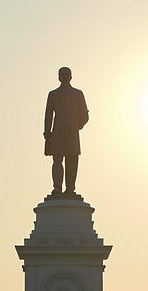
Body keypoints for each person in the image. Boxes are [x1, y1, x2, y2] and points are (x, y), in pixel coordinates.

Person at [44, 67, 89, 196]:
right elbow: (48, 115)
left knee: (70, 159)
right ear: (59, 77)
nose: (64, 76)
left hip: (65, 129)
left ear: (70, 76)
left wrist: (77, 125)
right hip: (61, 130)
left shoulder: (76, 94)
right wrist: (47, 132)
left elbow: (84, 115)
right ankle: (59, 187)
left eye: (66, 74)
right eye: (62, 74)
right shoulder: (55, 94)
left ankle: (69, 188)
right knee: (59, 159)